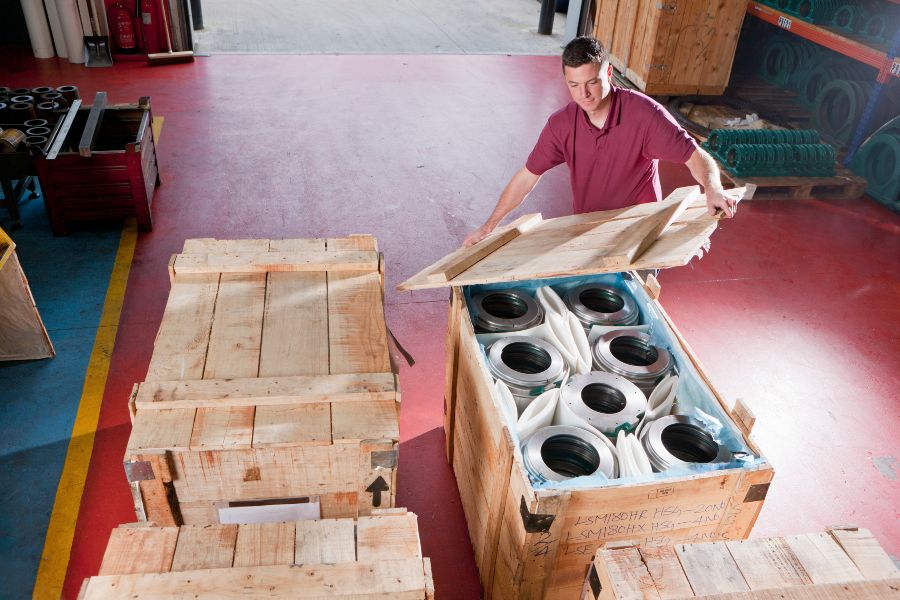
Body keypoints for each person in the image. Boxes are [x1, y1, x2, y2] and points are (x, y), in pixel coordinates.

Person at [463, 36, 738, 247]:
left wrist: (713, 188)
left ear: (608, 74)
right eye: (573, 85)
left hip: (640, 231)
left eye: (591, 82)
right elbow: (527, 176)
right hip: (588, 230)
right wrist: (489, 227)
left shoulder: (644, 115)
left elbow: (693, 155)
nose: (583, 94)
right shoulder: (561, 124)